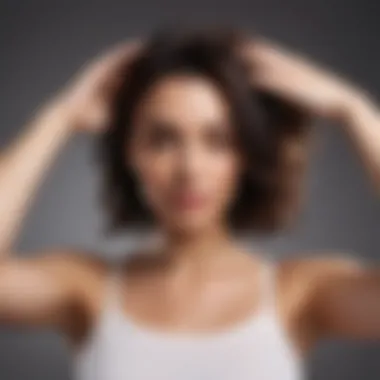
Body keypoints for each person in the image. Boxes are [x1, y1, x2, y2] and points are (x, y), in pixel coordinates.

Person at [0, 26, 379, 380]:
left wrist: (352, 109)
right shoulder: (88, 291)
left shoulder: (298, 293)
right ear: (132, 153)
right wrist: (59, 116)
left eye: (217, 140)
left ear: (245, 156)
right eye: (163, 139)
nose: (190, 168)